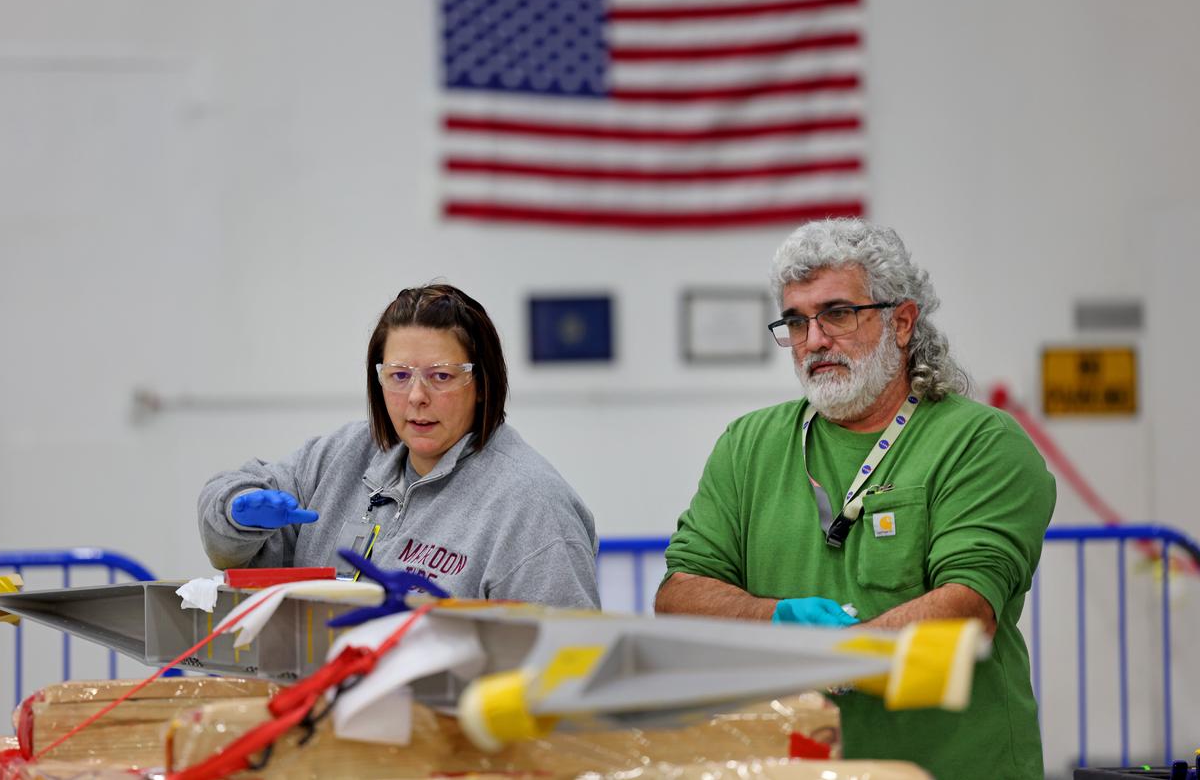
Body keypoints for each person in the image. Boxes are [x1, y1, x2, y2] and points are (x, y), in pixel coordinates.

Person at [656, 220, 1055, 779]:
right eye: (796, 321)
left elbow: (967, 611)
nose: (814, 339)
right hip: (795, 766)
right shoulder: (747, 445)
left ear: (901, 321)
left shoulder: (980, 442)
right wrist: (774, 617)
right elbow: (679, 598)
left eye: (838, 313)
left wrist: (835, 653)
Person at [198, 283, 601, 609]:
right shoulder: (342, 456)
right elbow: (224, 542)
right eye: (399, 375)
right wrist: (237, 512)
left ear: (481, 384)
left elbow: (568, 663)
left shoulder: (532, 507)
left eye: (441, 376)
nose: (416, 397)